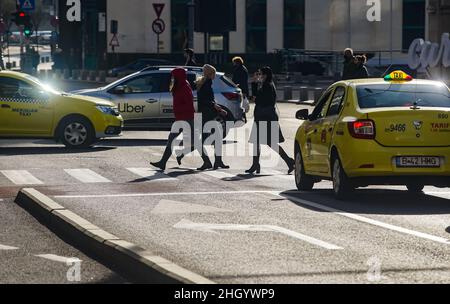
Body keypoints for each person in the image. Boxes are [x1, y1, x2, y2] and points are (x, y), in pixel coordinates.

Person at [150, 68, 212, 171]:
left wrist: (179, 110)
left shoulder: (184, 87)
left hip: (186, 118)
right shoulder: (179, 86)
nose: (172, 78)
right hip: (180, 118)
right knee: (172, 140)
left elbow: (188, 104)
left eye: (174, 76)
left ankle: (207, 162)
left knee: (195, 142)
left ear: (179, 77)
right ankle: (163, 162)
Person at [176, 64, 230, 170]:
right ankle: (209, 162)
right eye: (214, 73)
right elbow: (205, 100)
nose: (215, 75)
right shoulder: (206, 83)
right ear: (210, 74)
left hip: (205, 115)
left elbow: (205, 99)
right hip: (207, 116)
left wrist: (216, 107)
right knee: (206, 140)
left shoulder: (204, 83)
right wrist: (216, 106)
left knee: (213, 139)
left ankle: (217, 161)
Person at [246, 66, 295, 175]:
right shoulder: (266, 84)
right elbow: (257, 97)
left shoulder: (268, 85)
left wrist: (255, 97)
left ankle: (289, 161)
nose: (259, 76)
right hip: (263, 117)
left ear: (265, 75)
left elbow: (262, 100)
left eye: (260, 74)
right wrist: (254, 84)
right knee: (257, 142)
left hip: (266, 117)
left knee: (269, 142)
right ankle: (255, 164)